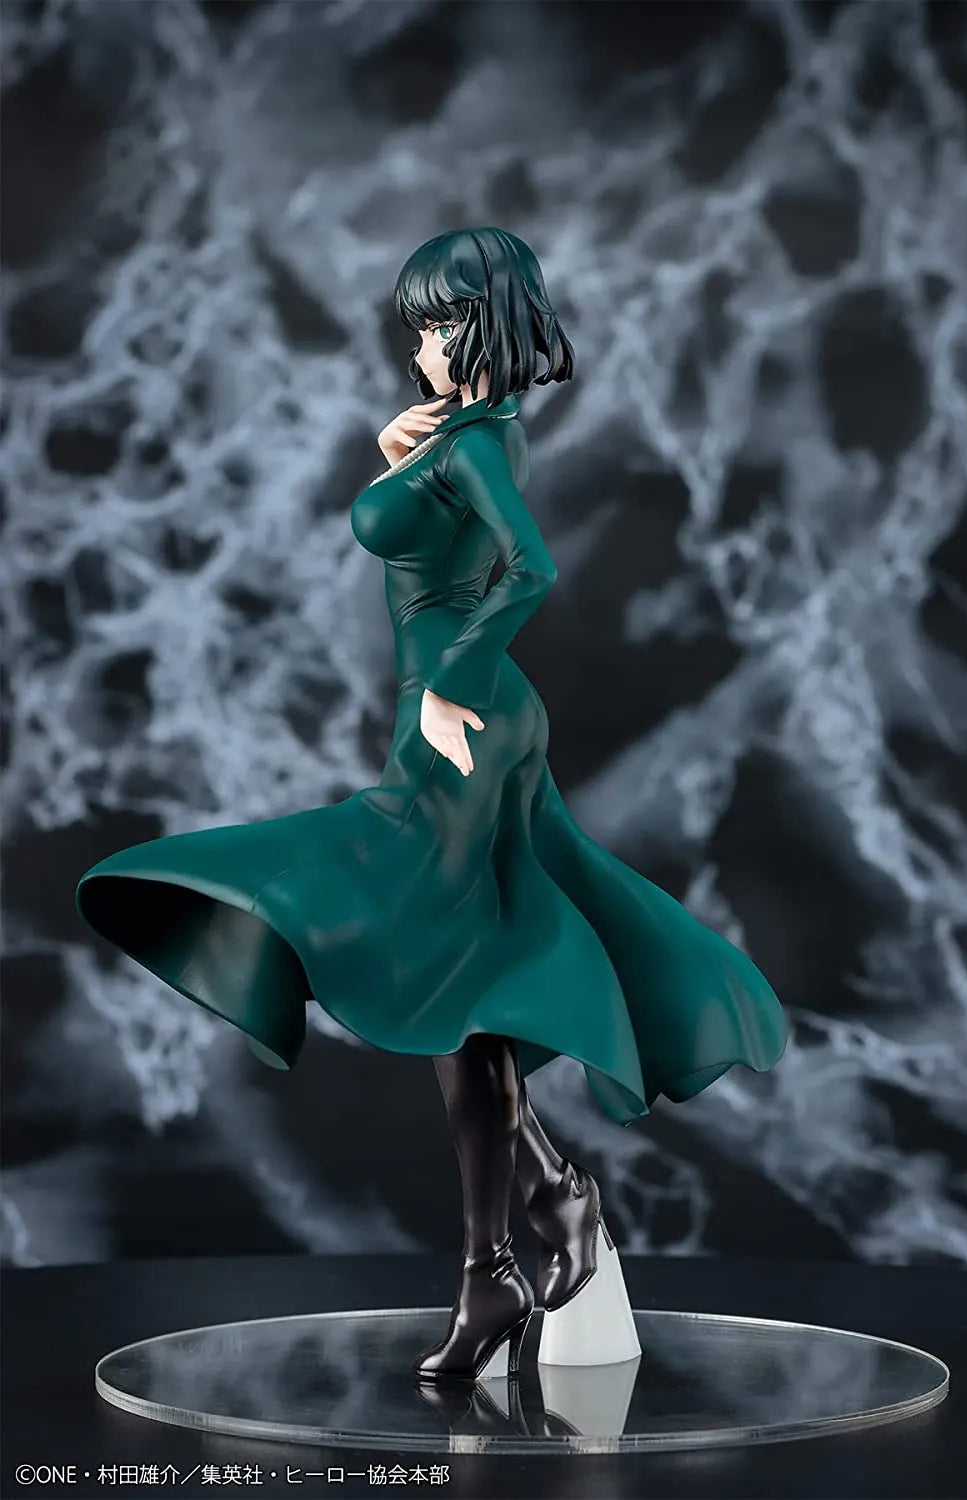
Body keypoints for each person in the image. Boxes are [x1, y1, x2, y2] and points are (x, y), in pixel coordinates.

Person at [75, 227, 789, 1385]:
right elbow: (440, 540)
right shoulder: (458, 435)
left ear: (495, 323)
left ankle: (509, 1253)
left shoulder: (482, 443)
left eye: (446, 323)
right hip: (448, 714)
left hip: (463, 717)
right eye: (419, 326)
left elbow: (531, 568)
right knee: (463, 989)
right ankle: (526, 1230)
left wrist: (452, 681)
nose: (427, 346)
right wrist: (396, 457)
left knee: (449, 975)